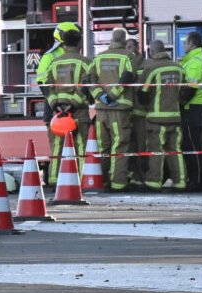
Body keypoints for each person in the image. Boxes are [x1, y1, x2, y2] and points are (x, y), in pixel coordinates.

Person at [38, 23, 91, 182]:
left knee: (57, 147)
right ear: (79, 41)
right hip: (78, 111)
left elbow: (47, 86)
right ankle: (82, 179)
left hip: (58, 112)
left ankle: (54, 180)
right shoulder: (85, 62)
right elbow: (87, 87)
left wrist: (57, 105)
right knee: (81, 146)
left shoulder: (54, 61)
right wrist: (72, 104)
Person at [91, 27, 142, 190]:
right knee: (120, 144)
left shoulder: (98, 58)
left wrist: (101, 96)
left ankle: (102, 179)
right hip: (120, 109)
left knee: (103, 145)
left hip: (101, 111)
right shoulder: (129, 57)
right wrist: (113, 96)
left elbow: (89, 80)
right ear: (126, 41)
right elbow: (128, 78)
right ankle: (118, 182)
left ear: (111, 40)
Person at [138, 39, 186, 190]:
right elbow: (187, 91)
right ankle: (181, 181)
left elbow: (143, 94)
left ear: (152, 52)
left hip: (156, 118)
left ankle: (154, 181)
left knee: (156, 150)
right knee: (175, 150)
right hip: (175, 116)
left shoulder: (151, 69)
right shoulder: (179, 68)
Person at [179, 31, 202, 190]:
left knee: (192, 146)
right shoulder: (200, 59)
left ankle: (197, 180)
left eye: (185, 42)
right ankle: (199, 179)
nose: (183, 45)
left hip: (192, 108)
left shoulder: (194, 62)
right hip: (198, 107)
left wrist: (180, 102)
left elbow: (191, 87)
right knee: (195, 145)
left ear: (191, 44)